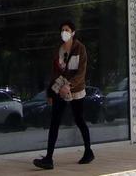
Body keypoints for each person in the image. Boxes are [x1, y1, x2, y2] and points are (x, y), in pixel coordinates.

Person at [33, 20, 94, 170]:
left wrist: (70, 85)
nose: (64, 32)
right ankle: (48, 158)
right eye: (62, 30)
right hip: (59, 89)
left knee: (79, 119)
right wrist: (50, 92)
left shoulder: (80, 48)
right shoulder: (58, 50)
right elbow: (54, 73)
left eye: (67, 29)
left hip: (75, 89)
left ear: (73, 32)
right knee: (55, 122)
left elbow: (81, 72)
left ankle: (88, 151)